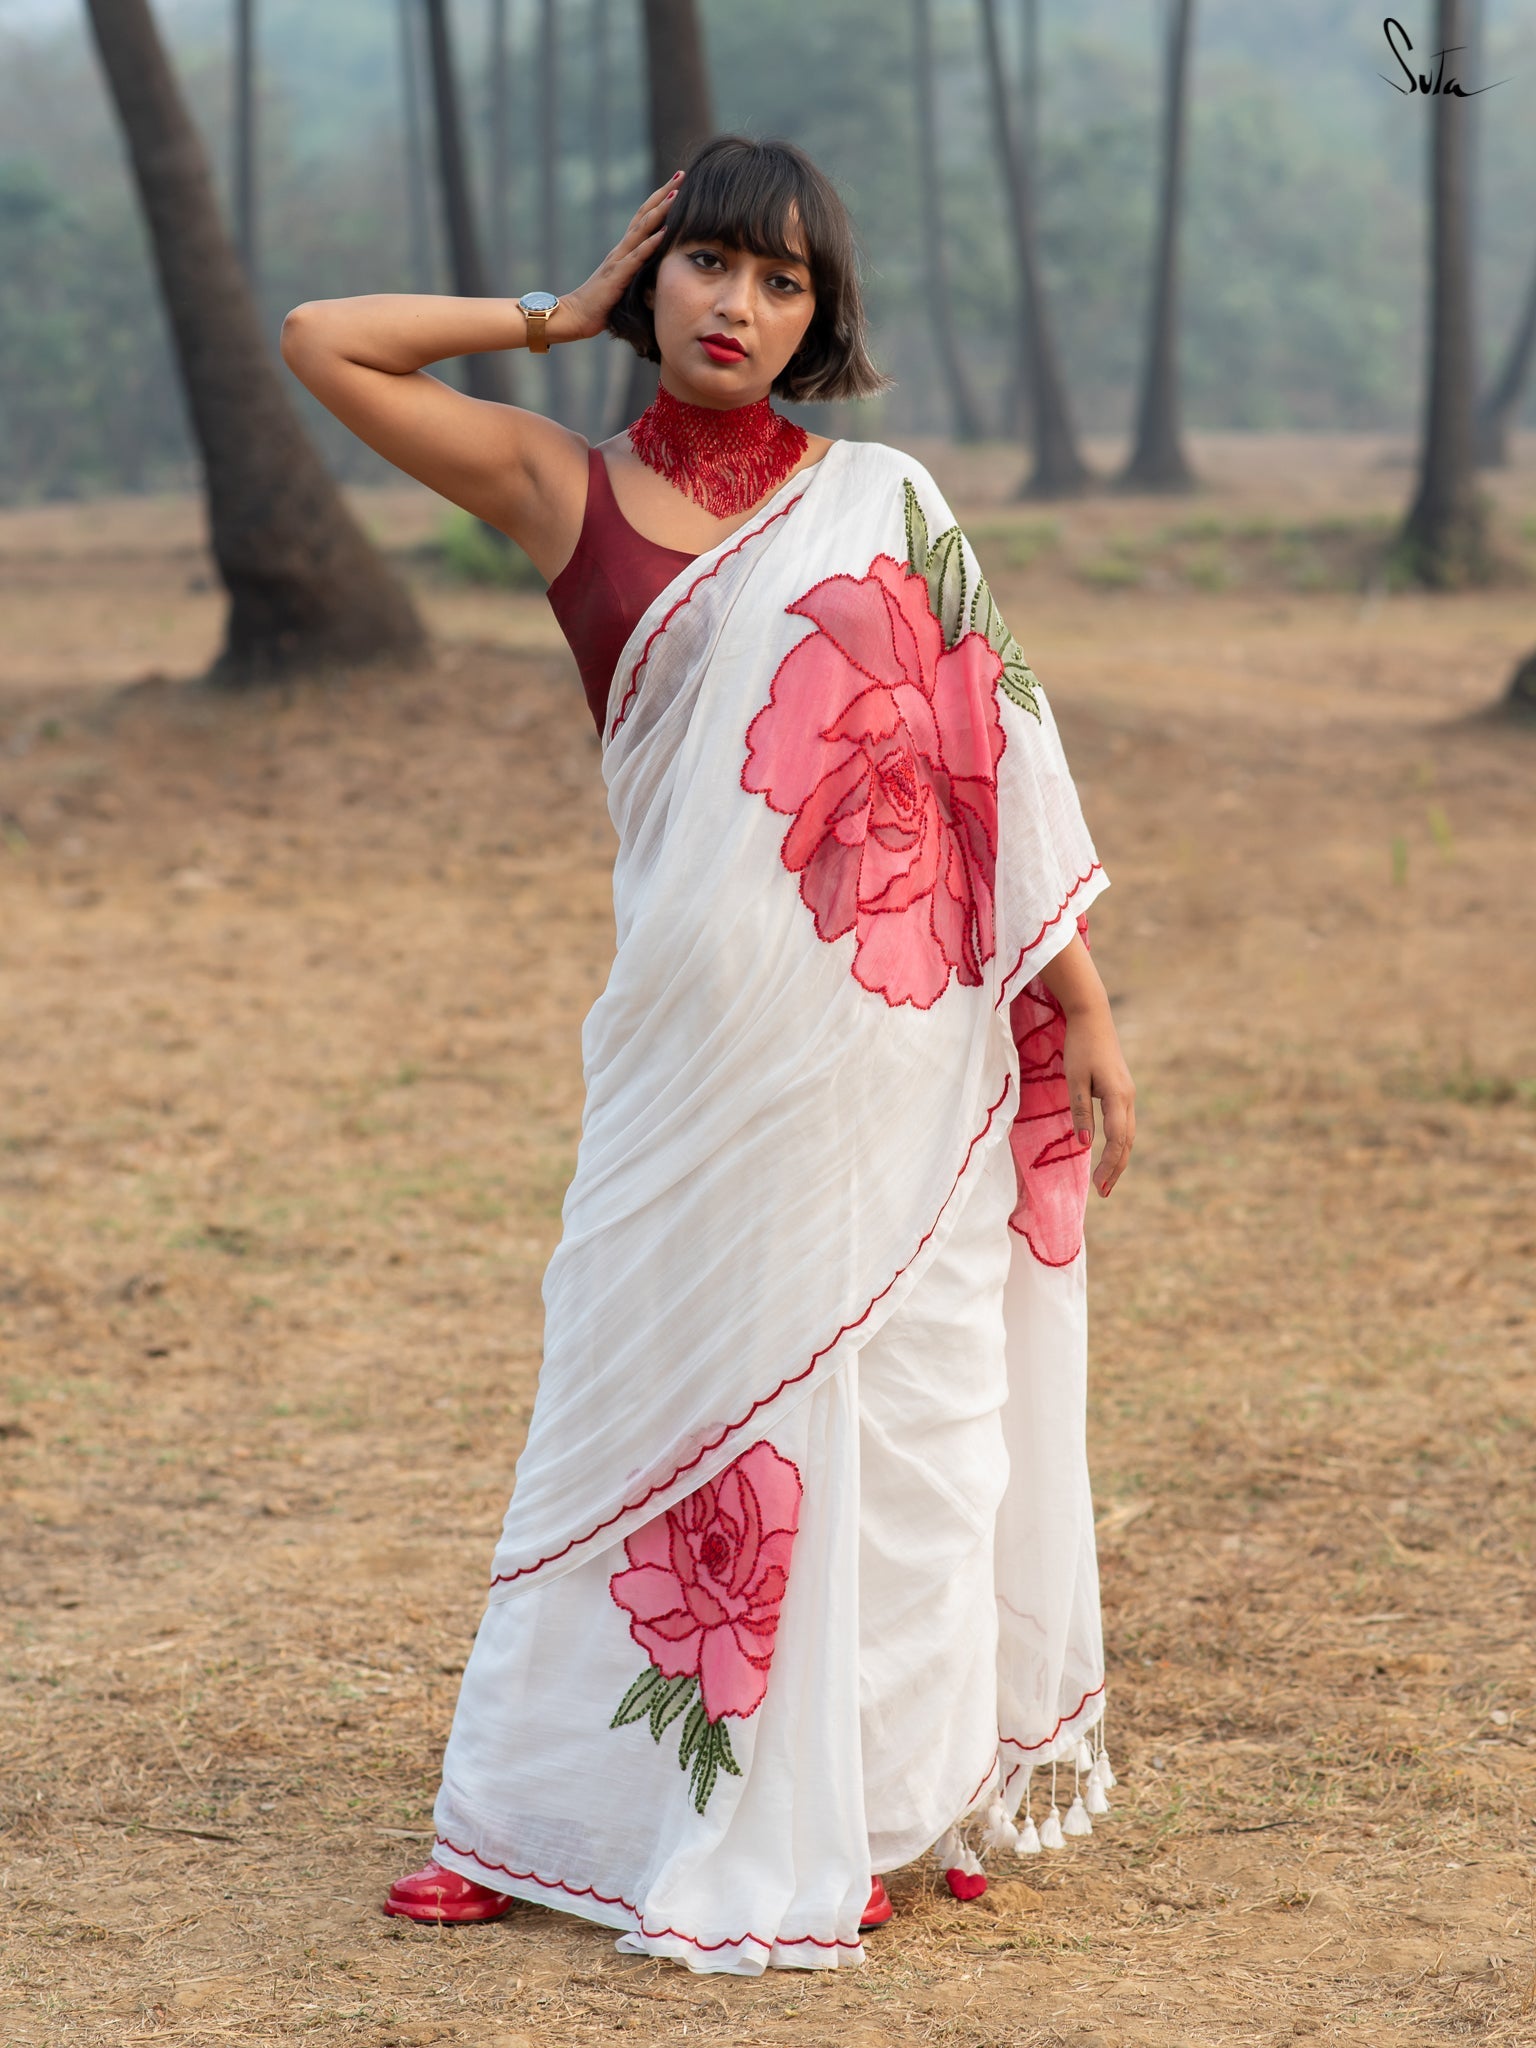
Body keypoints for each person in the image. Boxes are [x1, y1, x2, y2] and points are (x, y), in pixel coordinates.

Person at [280, 133, 1135, 1977]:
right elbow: (321, 343)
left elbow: (999, 760)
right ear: (652, 276)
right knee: (626, 1397)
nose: (739, 307)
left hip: (883, 1055)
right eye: (707, 266)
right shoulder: (554, 488)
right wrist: (550, 310)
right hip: (686, 1059)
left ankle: (888, 1797)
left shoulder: (887, 502)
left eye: (783, 282)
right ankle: (527, 1816)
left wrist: (1081, 1003)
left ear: (820, 320)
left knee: (905, 1418)